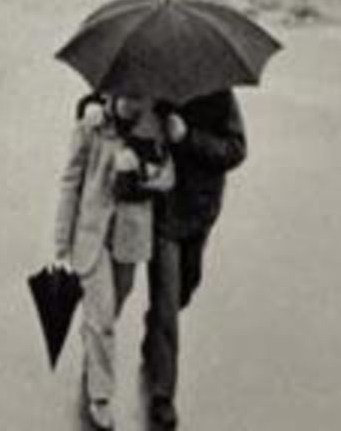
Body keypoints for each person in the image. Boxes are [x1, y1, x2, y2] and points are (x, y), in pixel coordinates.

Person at [54, 93, 180, 429]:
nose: (132, 103)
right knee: (103, 314)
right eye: (125, 95)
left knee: (114, 306)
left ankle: (93, 348)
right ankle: (101, 396)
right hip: (91, 236)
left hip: (130, 238)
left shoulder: (157, 126)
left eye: (138, 97)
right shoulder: (93, 124)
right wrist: (61, 241)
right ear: (111, 94)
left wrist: (141, 172)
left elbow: (169, 178)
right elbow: (71, 181)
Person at [141, 90, 247, 428]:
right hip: (162, 213)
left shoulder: (220, 93)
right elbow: (117, 118)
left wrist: (187, 136)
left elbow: (235, 149)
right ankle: (163, 395)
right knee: (167, 304)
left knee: (186, 288)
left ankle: (153, 333)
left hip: (200, 210)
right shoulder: (150, 86)